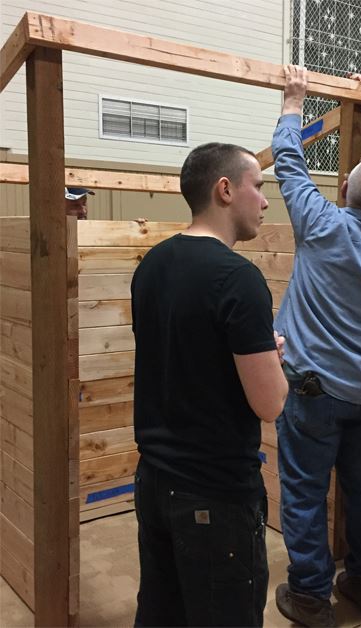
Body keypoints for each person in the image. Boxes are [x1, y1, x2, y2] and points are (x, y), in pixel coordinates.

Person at [269, 64, 361, 628]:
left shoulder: (321, 224)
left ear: (344, 189)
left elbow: (289, 164)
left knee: (304, 495)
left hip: (315, 391)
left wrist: (293, 101)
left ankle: (309, 597)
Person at [130, 143, 287, 626]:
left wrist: (256, 350)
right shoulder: (238, 279)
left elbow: (185, 356)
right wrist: (273, 361)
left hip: (155, 480)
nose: (264, 201)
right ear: (224, 190)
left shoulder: (152, 264)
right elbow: (270, 403)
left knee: (161, 612)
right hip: (213, 493)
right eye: (258, 187)